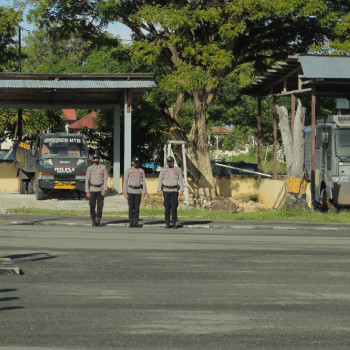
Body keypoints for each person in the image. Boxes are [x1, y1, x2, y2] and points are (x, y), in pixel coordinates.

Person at [157, 156, 184, 228]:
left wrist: (182, 190)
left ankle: (174, 222)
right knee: (167, 207)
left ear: (173, 162)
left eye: (171, 162)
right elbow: (160, 180)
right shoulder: (163, 170)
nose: (170, 163)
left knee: (174, 207)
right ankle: (167, 223)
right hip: (166, 191)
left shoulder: (178, 170)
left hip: (174, 191)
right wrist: (159, 190)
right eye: (168, 162)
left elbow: (181, 180)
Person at [123, 156, 147, 228]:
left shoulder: (141, 171)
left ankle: (136, 222)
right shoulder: (128, 171)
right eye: (135, 163)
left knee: (137, 208)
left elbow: (144, 182)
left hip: (138, 191)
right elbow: (125, 182)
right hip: (130, 191)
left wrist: (144, 192)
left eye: (137, 163)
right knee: (131, 207)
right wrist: (125, 192)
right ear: (132, 163)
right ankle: (131, 222)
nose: (136, 164)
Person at [85, 151, 108, 227]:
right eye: (94, 158)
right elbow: (87, 180)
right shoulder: (90, 168)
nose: (96, 160)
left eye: (97, 158)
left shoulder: (103, 168)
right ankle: (93, 220)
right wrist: (87, 191)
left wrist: (104, 189)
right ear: (92, 160)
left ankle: (98, 220)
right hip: (92, 189)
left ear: (99, 159)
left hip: (100, 189)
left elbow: (105, 179)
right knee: (92, 205)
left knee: (100, 205)